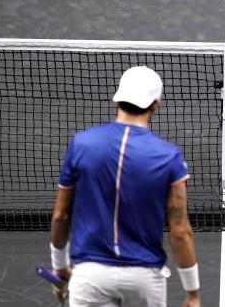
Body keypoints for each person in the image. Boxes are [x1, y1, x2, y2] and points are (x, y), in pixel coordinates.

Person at [49, 66, 201, 307]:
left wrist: (59, 267)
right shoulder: (169, 156)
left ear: (118, 99)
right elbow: (180, 230)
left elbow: (61, 216)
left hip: (90, 276)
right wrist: (192, 292)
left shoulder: (81, 145)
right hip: (143, 278)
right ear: (155, 104)